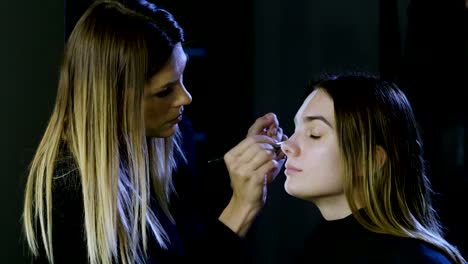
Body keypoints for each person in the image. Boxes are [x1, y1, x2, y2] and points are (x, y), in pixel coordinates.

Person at [21, 0, 285, 263]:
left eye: (182, 78)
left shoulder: (179, 137)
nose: (186, 98)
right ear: (113, 100)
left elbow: (192, 246)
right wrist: (242, 207)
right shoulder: (67, 194)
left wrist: (247, 170)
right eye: (164, 91)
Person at [279, 73, 467, 263]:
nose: (287, 145)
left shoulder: (417, 260)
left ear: (371, 160)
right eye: (295, 130)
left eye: (314, 134)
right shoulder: (318, 247)